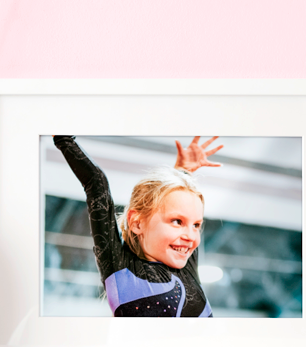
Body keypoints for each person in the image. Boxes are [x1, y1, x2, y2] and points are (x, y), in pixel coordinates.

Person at [53, 135, 223, 317]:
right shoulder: (121, 269)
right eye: (177, 221)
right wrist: (63, 138)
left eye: (196, 225)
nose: (190, 236)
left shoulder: (185, 264)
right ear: (137, 222)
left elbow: (179, 205)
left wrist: (183, 172)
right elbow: (96, 183)